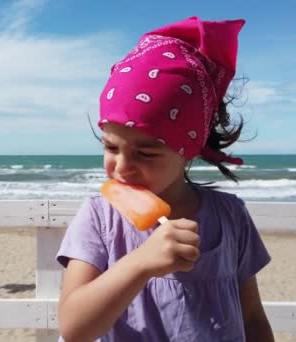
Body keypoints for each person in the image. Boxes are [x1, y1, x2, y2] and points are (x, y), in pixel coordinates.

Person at [56, 16, 274, 341]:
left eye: (146, 154)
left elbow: (253, 316)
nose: (122, 167)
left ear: (188, 151)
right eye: (111, 147)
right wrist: (140, 264)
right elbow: (73, 327)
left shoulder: (230, 216)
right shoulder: (100, 218)